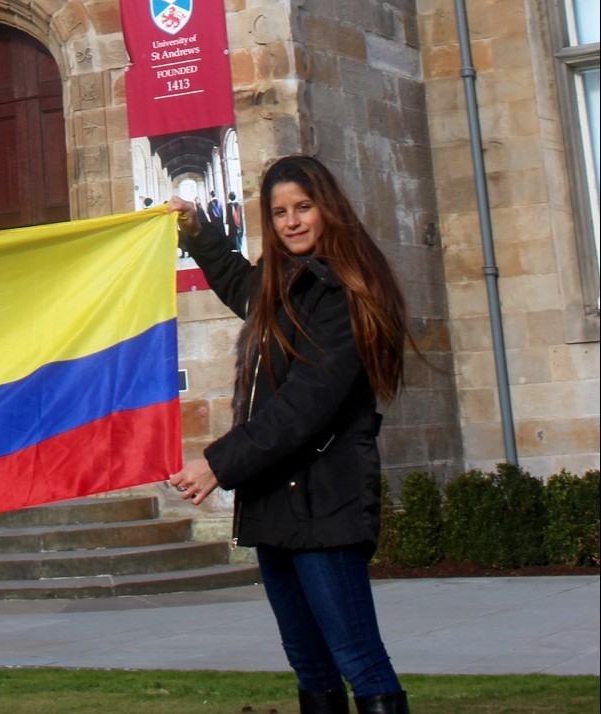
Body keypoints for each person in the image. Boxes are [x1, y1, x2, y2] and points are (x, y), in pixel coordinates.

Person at [167, 155, 411, 714]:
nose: (292, 222)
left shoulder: (347, 294)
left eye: (303, 207)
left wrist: (218, 463)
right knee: (309, 662)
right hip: (275, 501)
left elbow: (303, 407)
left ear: (329, 209)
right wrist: (197, 228)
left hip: (326, 501)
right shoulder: (284, 288)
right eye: (279, 213)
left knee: (360, 660)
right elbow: (237, 282)